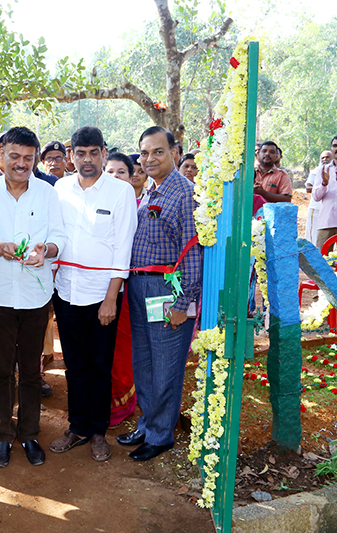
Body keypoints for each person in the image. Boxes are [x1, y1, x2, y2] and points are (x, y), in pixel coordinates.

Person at [0, 126, 65, 468]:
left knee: (31, 371)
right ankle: (3, 436)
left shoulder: (47, 193)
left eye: (28, 157)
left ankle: (29, 434)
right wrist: (0, 249)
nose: (21, 164)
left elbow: (59, 238)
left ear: (35, 158)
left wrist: (46, 250)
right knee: (1, 370)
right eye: (14, 156)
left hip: (36, 296)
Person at [51, 128, 137, 462]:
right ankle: (77, 427)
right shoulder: (60, 189)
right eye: (80, 153)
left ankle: (99, 431)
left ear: (103, 152)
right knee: (74, 365)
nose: (87, 160)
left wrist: (111, 298)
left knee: (101, 365)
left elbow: (122, 246)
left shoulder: (120, 192)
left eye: (93, 153)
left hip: (102, 296)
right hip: (66, 292)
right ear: (71, 155)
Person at [117, 126, 202, 462]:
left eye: (158, 151)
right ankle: (149, 423)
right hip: (140, 288)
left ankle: (161, 435)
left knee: (166, 365)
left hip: (168, 289)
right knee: (144, 362)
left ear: (175, 153)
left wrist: (183, 304)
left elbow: (193, 251)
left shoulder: (184, 193)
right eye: (144, 152)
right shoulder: (150, 190)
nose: (149, 158)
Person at [104, 152, 140, 427]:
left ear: (132, 177)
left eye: (121, 172)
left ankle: (123, 404)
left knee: (124, 349)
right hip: (101, 286)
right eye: (110, 172)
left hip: (132, 288)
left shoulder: (143, 207)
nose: (115, 177)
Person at [305, 150, 333, 245]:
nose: (325, 159)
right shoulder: (315, 171)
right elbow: (308, 188)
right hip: (316, 207)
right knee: (313, 234)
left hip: (331, 208)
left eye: (327, 157)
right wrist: (322, 188)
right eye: (323, 158)